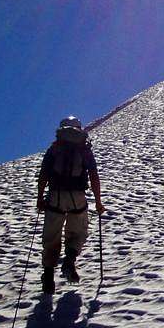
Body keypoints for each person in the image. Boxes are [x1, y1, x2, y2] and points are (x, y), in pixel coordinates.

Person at [37, 116, 105, 294]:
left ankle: (48, 277)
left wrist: (40, 198)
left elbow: (44, 174)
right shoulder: (84, 149)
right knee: (79, 231)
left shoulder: (55, 148)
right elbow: (94, 176)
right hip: (78, 196)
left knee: (51, 236)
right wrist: (98, 201)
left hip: (55, 196)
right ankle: (69, 260)